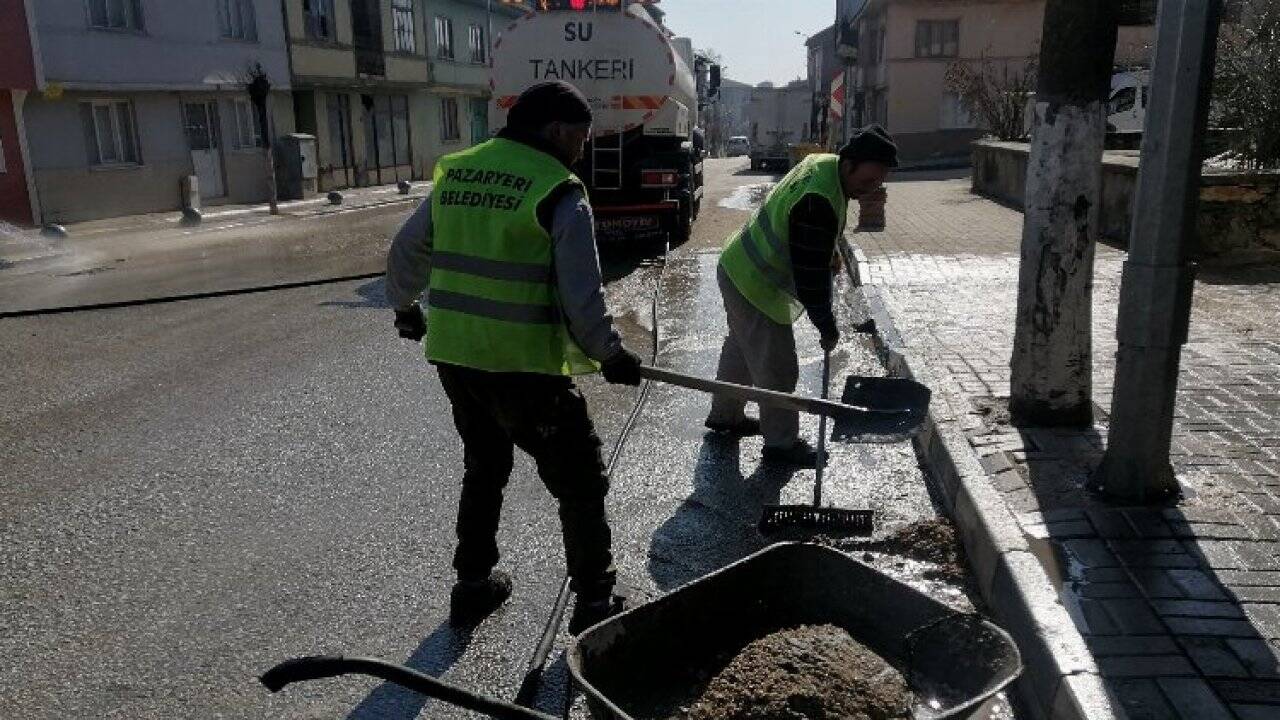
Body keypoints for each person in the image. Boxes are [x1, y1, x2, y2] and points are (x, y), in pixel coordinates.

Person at [385, 81, 642, 633]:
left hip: (456, 358)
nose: (582, 149)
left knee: (485, 465)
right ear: (554, 131)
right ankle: (596, 604)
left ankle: (472, 585)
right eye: (580, 137)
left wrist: (405, 308)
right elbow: (582, 294)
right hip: (523, 369)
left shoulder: (458, 170)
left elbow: (407, 249)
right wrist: (611, 355)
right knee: (580, 481)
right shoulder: (558, 189)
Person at [704, 125, 897, 467]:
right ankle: (780, 445)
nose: (869, 190)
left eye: (877, 183)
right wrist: (826, 325)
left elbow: (812, 237)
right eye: (867, 181)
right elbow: (810, 279)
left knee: (741, 347)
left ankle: (725, 416)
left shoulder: (823, 163)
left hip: (737, 264)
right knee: (776, 367)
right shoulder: (818, 200)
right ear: (849, 163)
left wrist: (830, 252)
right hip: (754, 283)